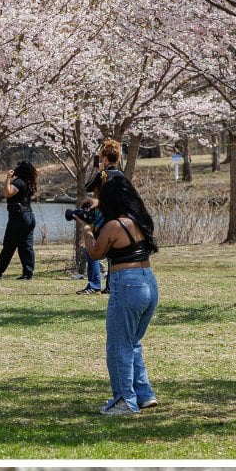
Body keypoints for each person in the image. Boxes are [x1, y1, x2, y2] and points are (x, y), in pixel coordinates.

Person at [75, 139, 159, 416]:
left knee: (118, 346)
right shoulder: (139, 222)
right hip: (148, 280)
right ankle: (144, 394)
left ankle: (124, 400)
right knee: (133, 342)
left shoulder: (112, 225)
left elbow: (96, 254)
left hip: (127, 284)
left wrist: (87, 230)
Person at [0, 160, 38, 280]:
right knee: (26, 246)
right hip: (29, 216)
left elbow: (8, 193)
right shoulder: (29, 183)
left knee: (9, 245)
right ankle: (28, 273)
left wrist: (8, 178)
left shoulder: (19, 182)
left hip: (19, 217)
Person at [75, 174, 105, 296]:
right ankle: (110, 287)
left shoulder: (98, 202)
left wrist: (85, 236)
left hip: (101, 229)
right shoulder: (117, 177)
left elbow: (88, 187)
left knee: (92, 252)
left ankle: (94, 285)